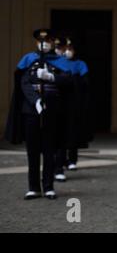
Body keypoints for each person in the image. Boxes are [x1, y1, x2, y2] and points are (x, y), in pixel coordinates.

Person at [5, 29, 73, 200]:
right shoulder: (29, 59)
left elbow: (69, 80)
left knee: (49, 149)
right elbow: (23, 82)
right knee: (32, 150)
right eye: (41, 41)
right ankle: (33, 187)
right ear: (36, 42)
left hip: (52, 109)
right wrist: (35, 100)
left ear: (52, 42)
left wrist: (51, 77)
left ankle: (48, 186)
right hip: (31, 109)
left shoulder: (60, 61)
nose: (44, 43)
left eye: (48, 40)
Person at [54, 37, 91, 181]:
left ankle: (72, 160)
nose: (67, 52)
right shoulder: (57, 63)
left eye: (70, 49)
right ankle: (60, 161)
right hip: (58, 103)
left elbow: (85, 84)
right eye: (65, 49)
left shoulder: (80, 64)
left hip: (74, 103)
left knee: (73, 130)